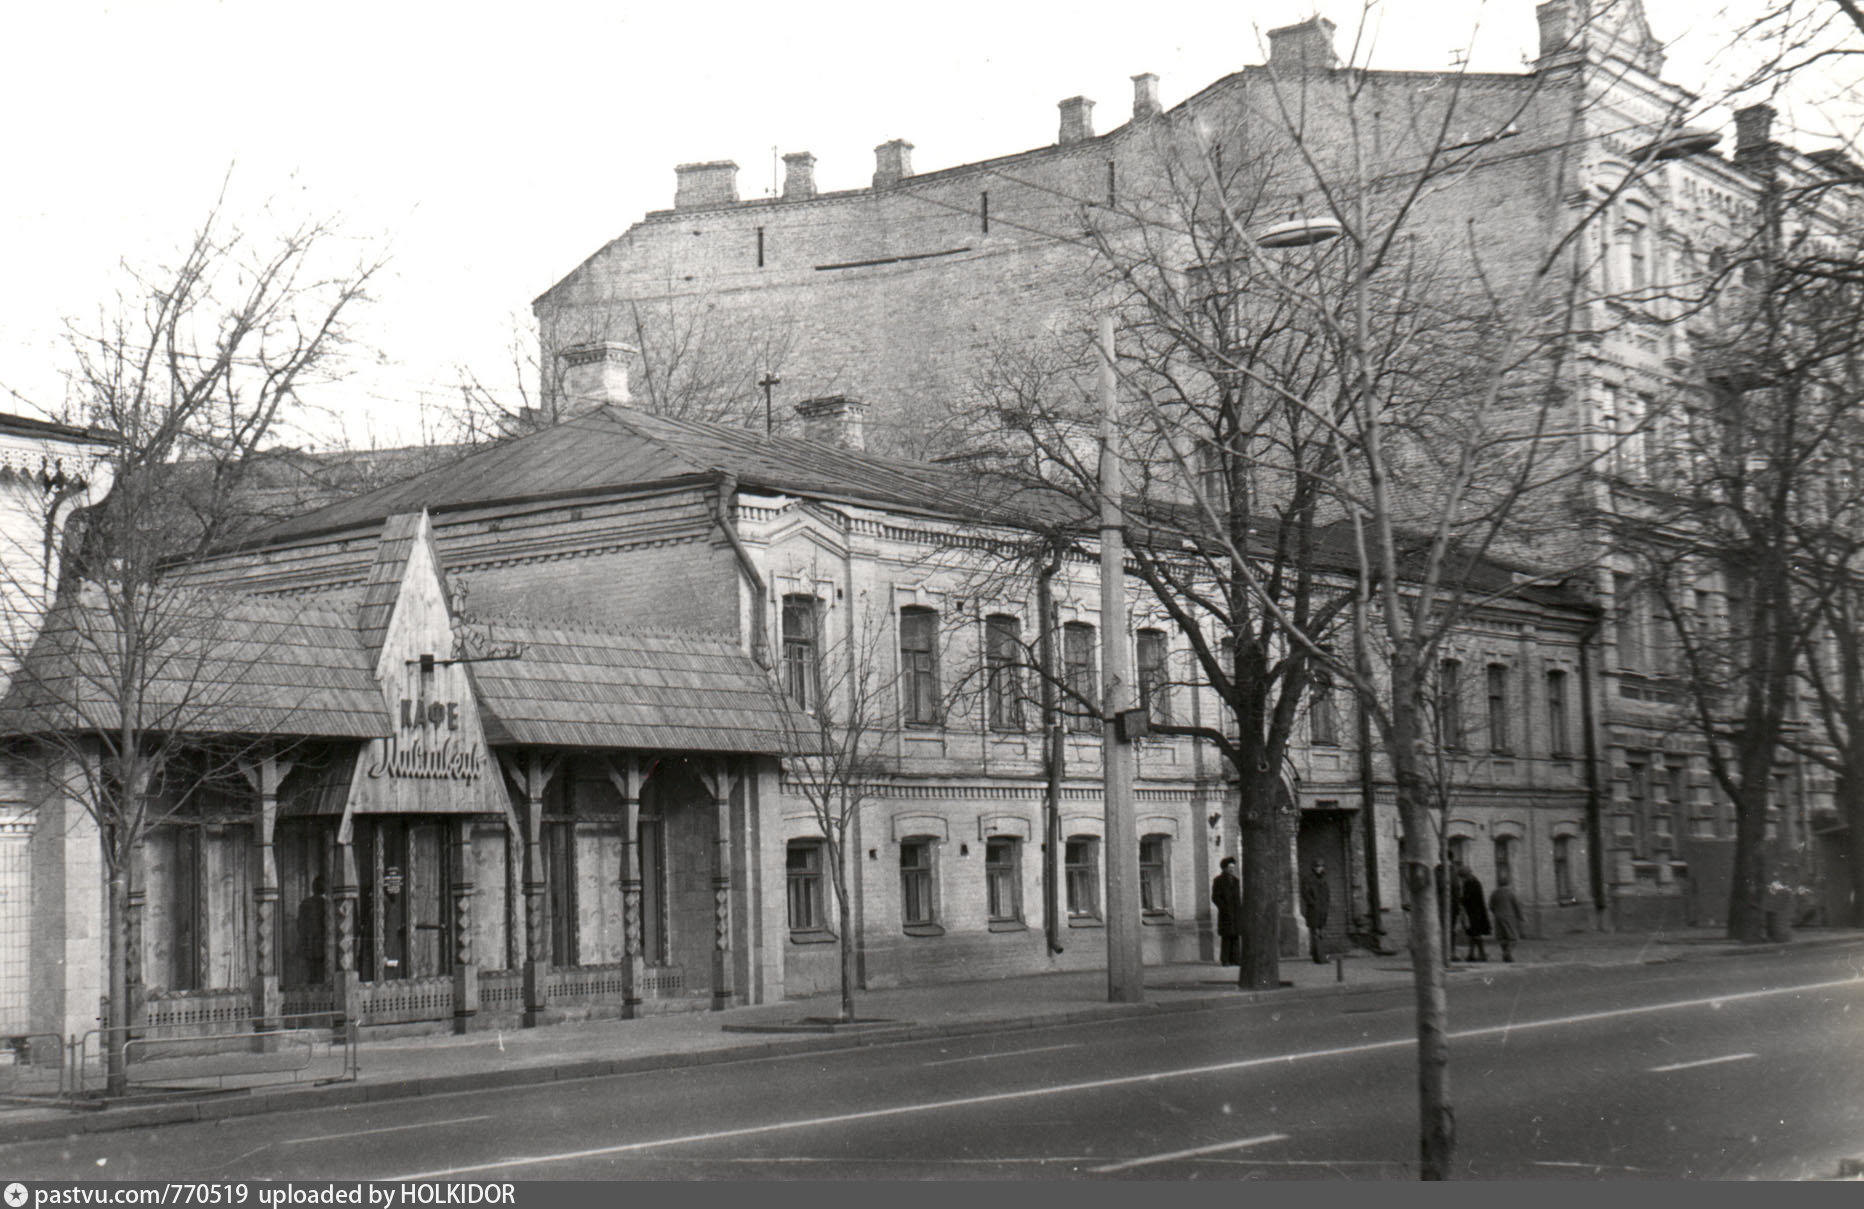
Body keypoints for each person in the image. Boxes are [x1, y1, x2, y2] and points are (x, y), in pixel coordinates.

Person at [1210, 856, 1243, 965]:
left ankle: (1236, 959)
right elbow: (1215, 897)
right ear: (1224, 868)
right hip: (1225, 913)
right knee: (1226, 936)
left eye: (1233, 867)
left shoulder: (1236, 881)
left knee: (1235, 936)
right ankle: (1225, 960)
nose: (1232, 869)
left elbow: (1238, 897)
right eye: (1229, 867)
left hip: (1236, 912)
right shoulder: (1218, 881)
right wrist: (1223, 907)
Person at [1457, 861, 1491, 962]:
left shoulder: (1471, 883)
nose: (1462, 879)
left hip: (1475, 912)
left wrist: (1460, 899)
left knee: (1475, 934)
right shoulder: (1474, 881)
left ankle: (1481, 954)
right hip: (1475, 911)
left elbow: (1469, 898)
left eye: (1462, 877)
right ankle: (1472, 954)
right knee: (1473, 934)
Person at [1489, 870, 1525, 963]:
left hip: (1498, 917)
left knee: (1502, 937)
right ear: (1507, 883)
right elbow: (1516, 906)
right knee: (1513, 937)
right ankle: (1507, 953)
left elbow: (1491, 906)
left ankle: (1506, 956)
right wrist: (1521, 917)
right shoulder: (1510, 893)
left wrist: (1496, 912)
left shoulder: (1494, 893)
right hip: (1509, 917)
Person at [298, 875, 329, 984]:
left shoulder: (305, 904)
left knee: (311, 976)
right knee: (322, 976)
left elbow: (300, 927)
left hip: (308, 946)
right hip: (323, 946)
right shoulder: (327, 904)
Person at [1299, 860, 1330, 964]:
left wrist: (1326, 906)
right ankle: (1319, 957)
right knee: (1315, 933)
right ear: (1313, 868)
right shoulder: (1308, 879)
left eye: (1321, 866)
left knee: (1321, 933)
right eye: (1317, 866)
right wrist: (1313, 903)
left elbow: (1327, 895)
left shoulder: (1323, 879)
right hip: (1314, 910)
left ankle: (1320, 956)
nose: (1319, 868)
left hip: (1322, 910)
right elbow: (1305, 893)